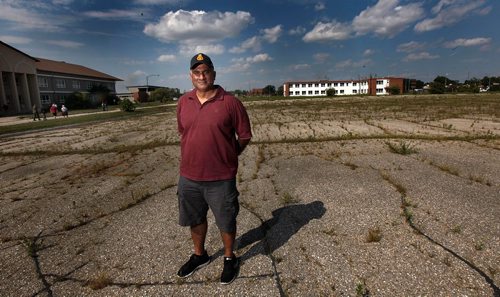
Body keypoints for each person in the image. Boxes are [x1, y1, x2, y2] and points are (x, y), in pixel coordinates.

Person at [176, 53, 252, 285]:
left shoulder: (230, 102)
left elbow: (245, 136)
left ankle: (230, 258)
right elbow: (183, 132)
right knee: (195, 219)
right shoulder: (183, 102)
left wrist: (229, 156)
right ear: (191, 76)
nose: (202, 76)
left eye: (206, 71)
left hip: (220, 178)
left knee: (226, 220)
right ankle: (200, 255)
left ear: (214, 74)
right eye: (197, 72)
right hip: (189, 177)